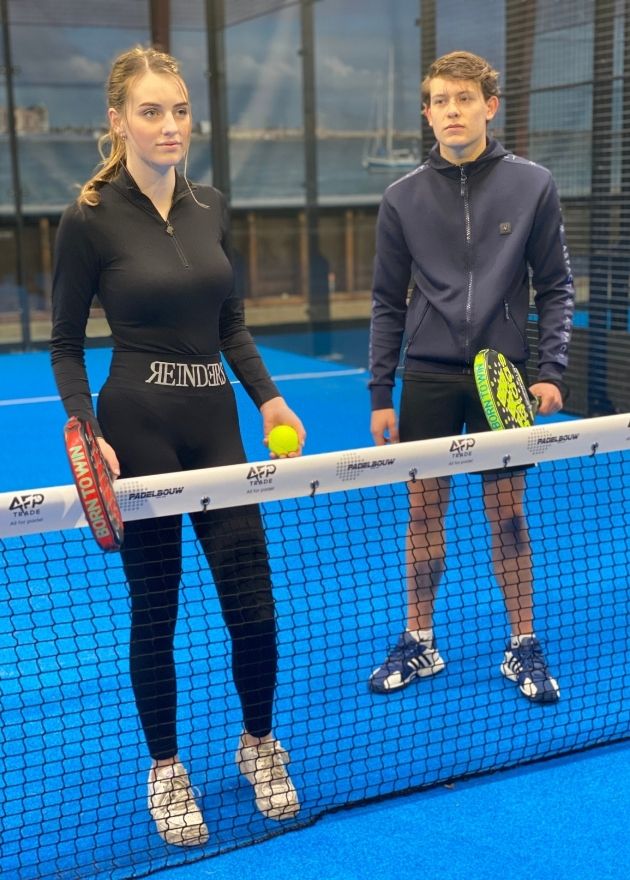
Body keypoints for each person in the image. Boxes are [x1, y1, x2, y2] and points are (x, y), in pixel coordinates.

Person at [50, 45, 305, 848]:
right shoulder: (89, 218)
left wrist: (268, 398)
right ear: (118, 121)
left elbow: (228, 323)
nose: (169, 126)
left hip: (218, 428)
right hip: (138, 428)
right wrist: (86, 431)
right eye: (151, 112)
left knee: (253, 607)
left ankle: (258, 744)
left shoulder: (212, 204)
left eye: (181, 110)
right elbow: (63, 343)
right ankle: (165, 768)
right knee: (155, 612)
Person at [368, 51, 574, 703]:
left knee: (507, 514)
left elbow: (557, 286)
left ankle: (522, 645)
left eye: (463, 98)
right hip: (427, 376)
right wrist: (380, 392)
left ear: (490, 104)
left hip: (503, 378)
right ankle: (419, 641)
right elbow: (385, 300)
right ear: (427, 113)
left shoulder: (533, 184)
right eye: (439, 101)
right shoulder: (400, 198)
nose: (451, 111)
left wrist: (549, 370)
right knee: (423, 511)